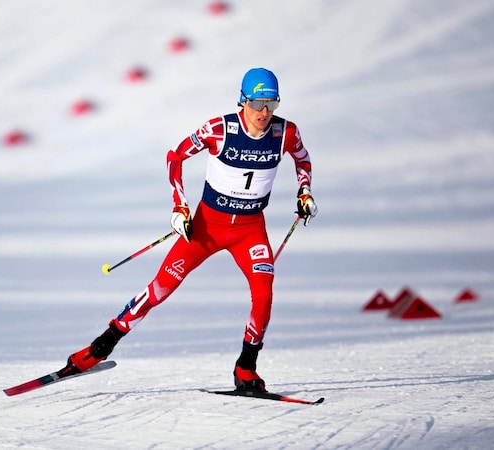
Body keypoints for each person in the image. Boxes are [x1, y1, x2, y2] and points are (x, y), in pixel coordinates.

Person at [65, 68, 317, 392]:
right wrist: (180, 206)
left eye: (271, 103)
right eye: (257, 103)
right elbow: (175, 156)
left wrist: (305, 192)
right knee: (160, 289)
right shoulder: (219, 129)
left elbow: (303, 160)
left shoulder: (286, 133)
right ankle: (99, 348)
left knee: (264, 294)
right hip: (206, 228)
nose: (264, 113)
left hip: (251, 230)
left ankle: (246, 369)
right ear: (243, 101)